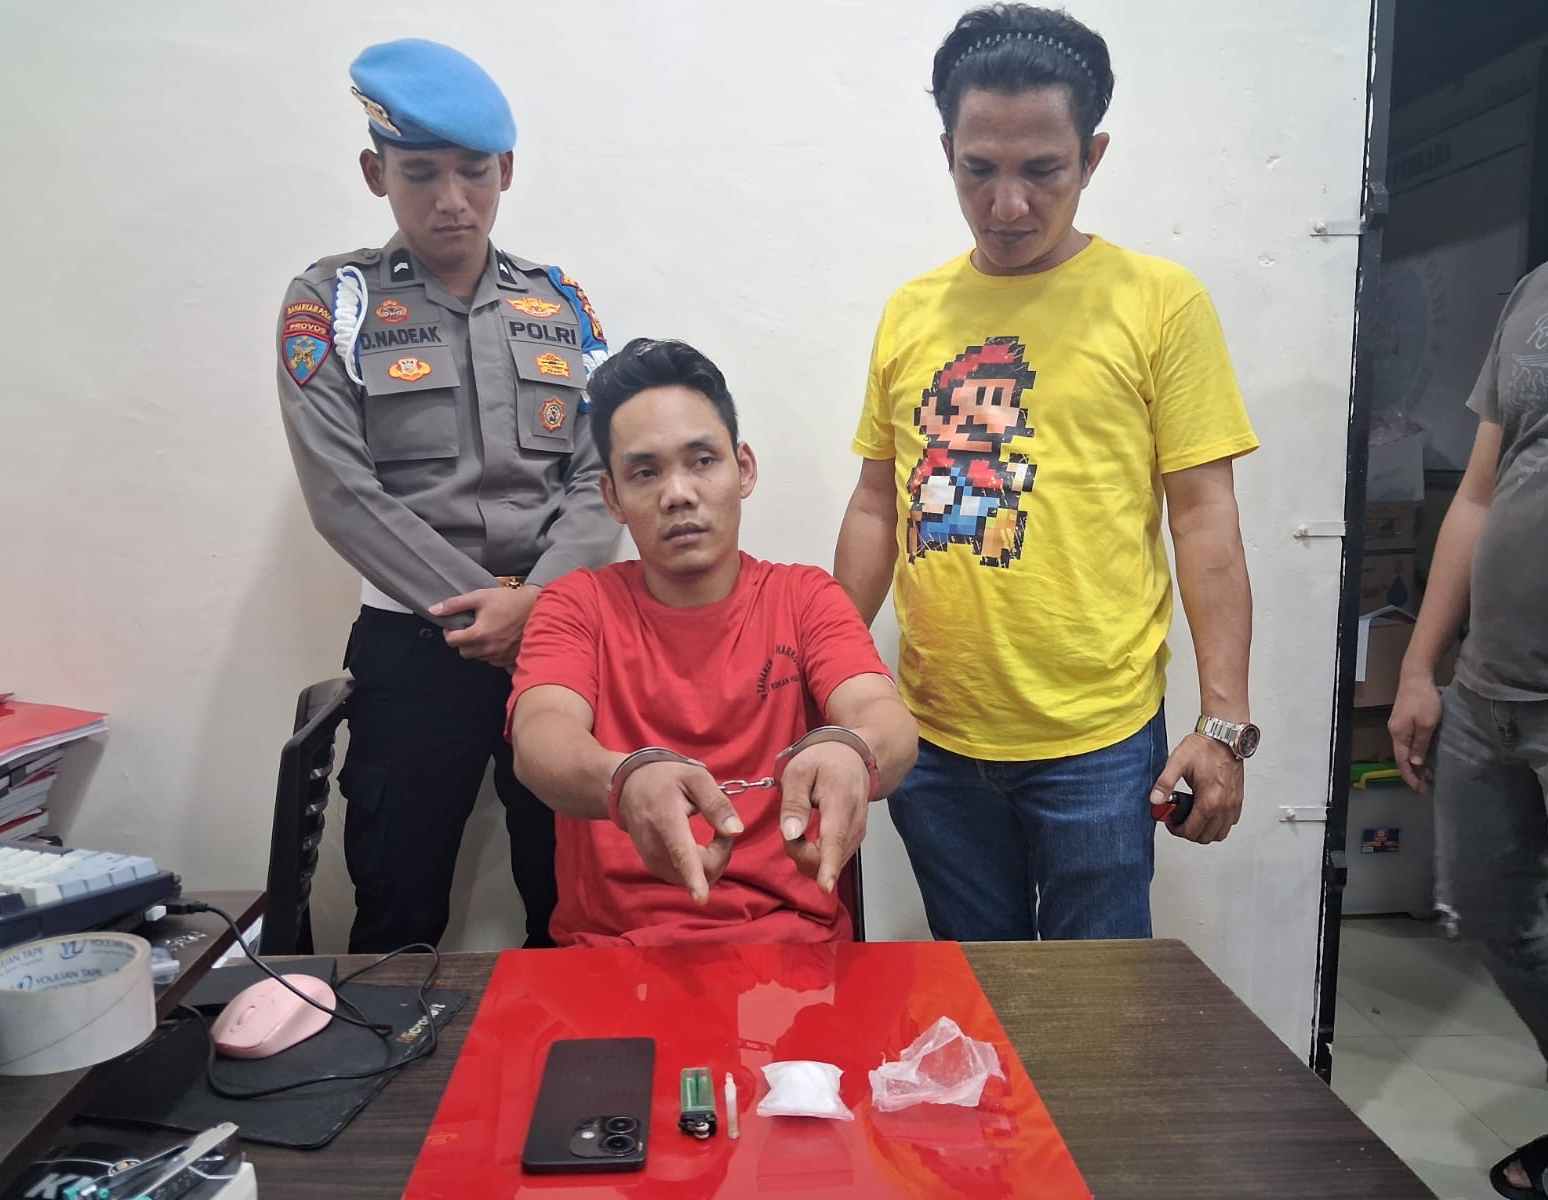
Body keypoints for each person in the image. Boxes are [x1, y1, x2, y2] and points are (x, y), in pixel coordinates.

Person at [833, 3, 1260, 942]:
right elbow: (875, 503)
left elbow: (1204, 521)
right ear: (947, 152)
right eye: (978, 169)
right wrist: (823, 672)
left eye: (1042, 170)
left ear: (1092, 158)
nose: (1007, 205)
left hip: (1097, 743)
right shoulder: (911, 311)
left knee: (1092, 1008)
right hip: (932, 737)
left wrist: (1222, 723)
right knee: (976, 993)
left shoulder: (1159, 303)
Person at [276, 39, 618, 953]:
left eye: (473, 170)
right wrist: (484, 610)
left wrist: (539, 605)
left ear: (506, 170)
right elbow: (341, 491)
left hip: (555, 638)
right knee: (397, 909)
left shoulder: (562, 307)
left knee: (575, 906)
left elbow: (598, 477)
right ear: (375, 173)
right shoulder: (333, 303)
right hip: (414, 647)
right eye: (420, 172)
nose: (451, 198)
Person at [507, 338, 918, 945]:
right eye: (645, 473)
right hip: (611, 953)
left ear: (743, 468)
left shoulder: (805, 597)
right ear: (612, 497)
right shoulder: (577, 605)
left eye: (702, 461)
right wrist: (623, 780)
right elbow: (540, 736)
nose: (677, 493)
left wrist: (854, 750)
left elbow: (884, 716)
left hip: (797, 951)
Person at [1387, 257, 1548, 1199]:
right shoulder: (1538, 291)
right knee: (1490, 915)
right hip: (1488, 690)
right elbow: (1481, 495)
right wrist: (1421, 665)